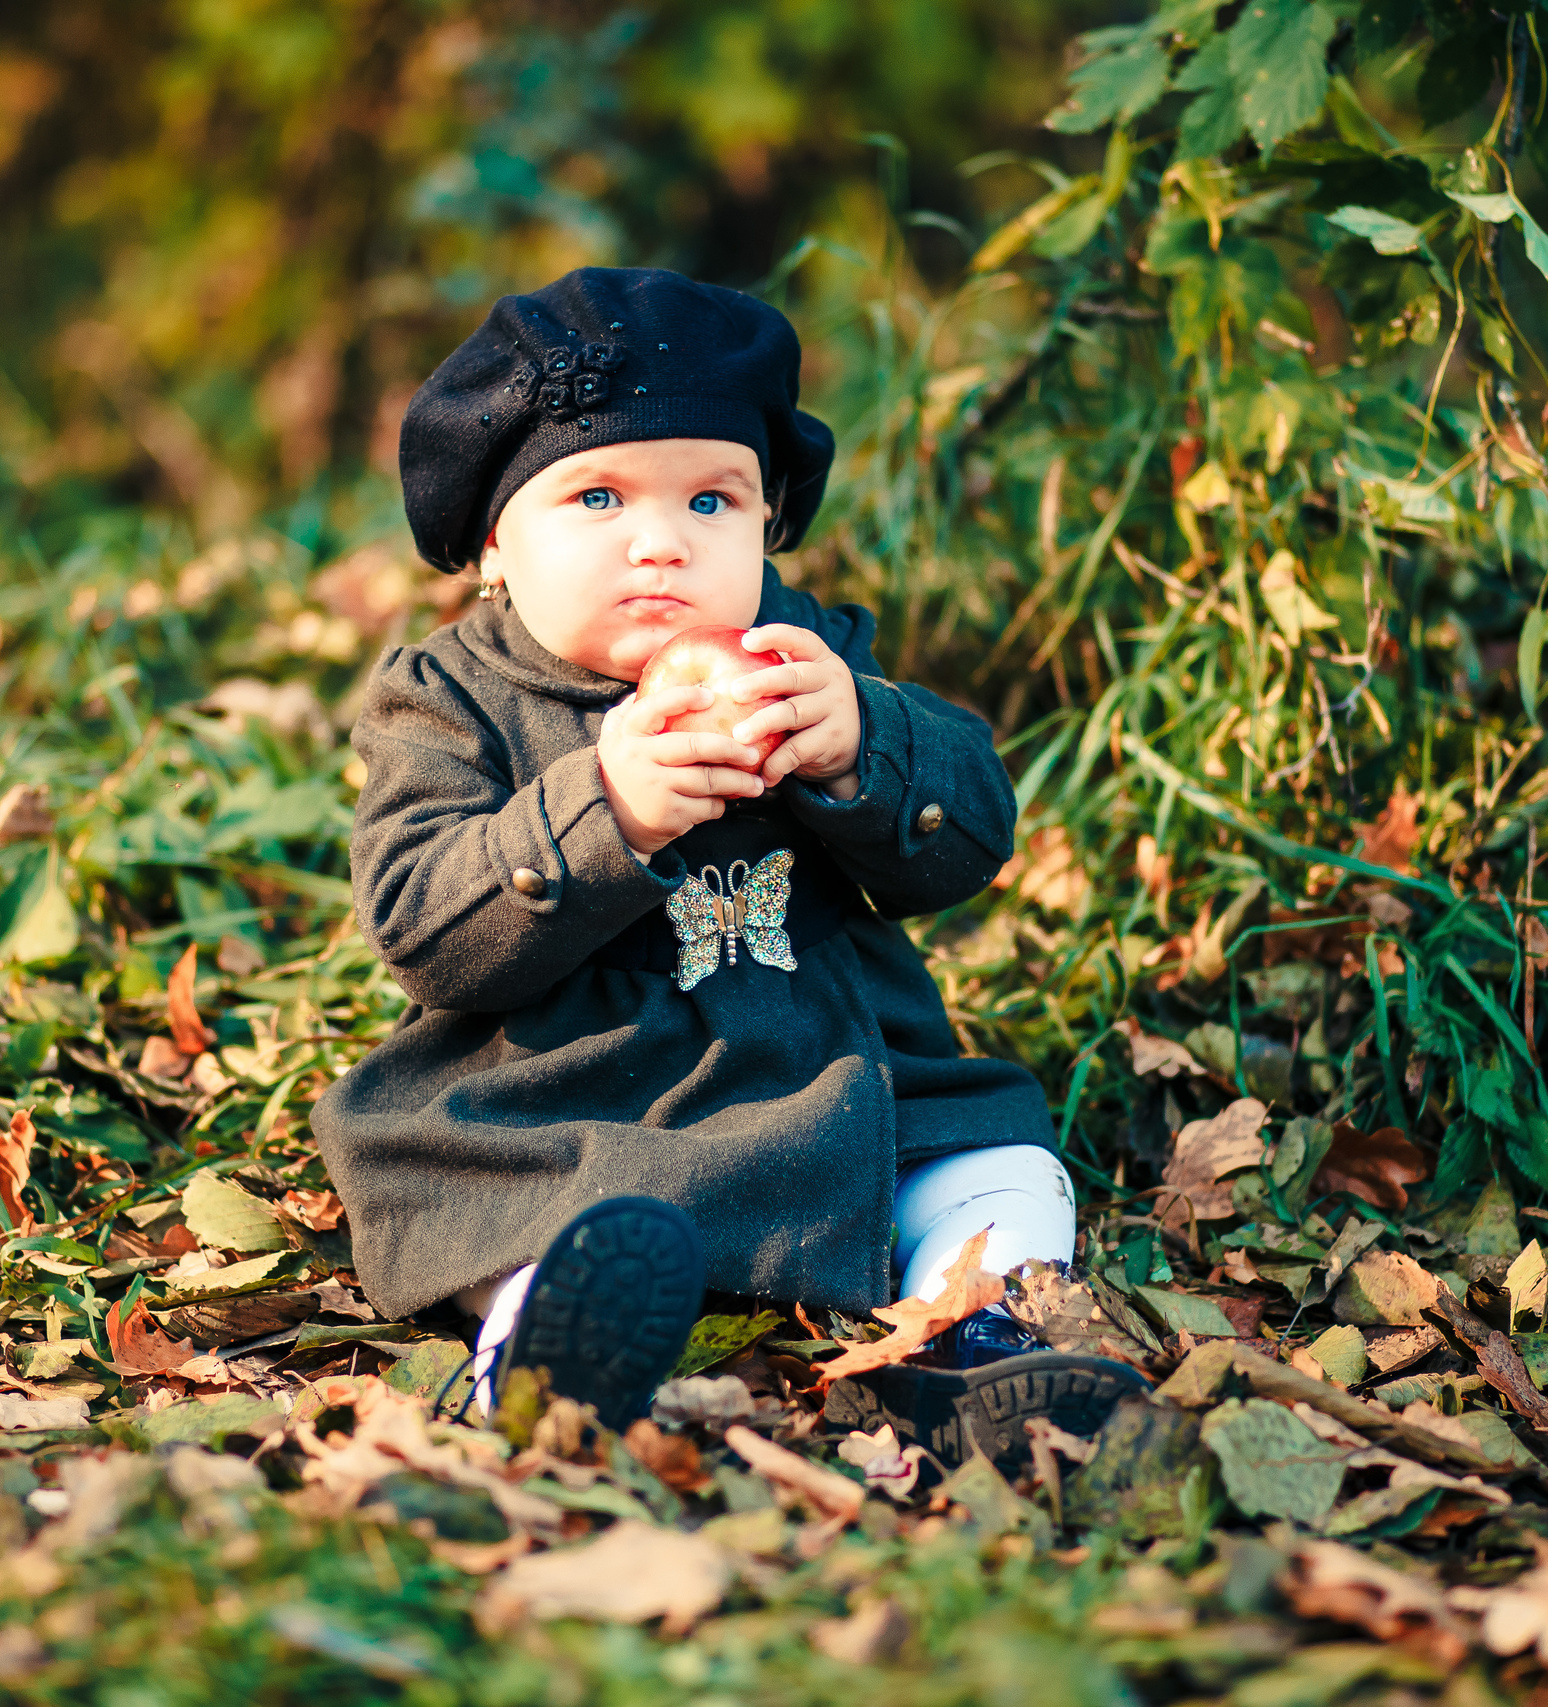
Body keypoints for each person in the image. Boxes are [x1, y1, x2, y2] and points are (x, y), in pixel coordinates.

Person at [311, 267, 1144, 1462]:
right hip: (569, 1097)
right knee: (533, 1213)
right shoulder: (451, 701)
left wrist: (865, 746)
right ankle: (546, 1361)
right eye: (597, 498)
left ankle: (976, 1340)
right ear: (495, 541)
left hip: (827, 1074)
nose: (662, 543)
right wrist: (606, 811)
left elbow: (967, 845)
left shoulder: (810, 660)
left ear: (766, 523)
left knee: (997, 1161)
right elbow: (423, 930)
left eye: (713, 502)